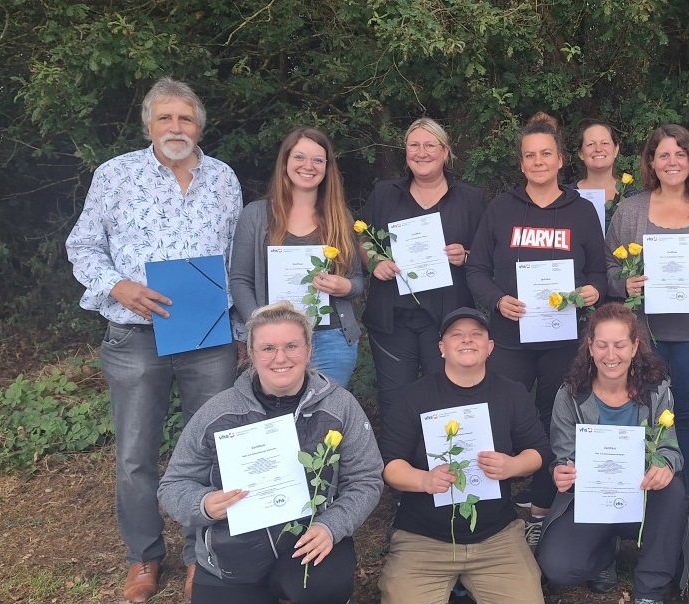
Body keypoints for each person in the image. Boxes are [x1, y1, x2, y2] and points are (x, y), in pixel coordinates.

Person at [65, 77, 242, 604]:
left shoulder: (223, 179)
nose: (176, 128)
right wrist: (117, 285)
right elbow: (82, 245)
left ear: (200, 126)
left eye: (185, 119)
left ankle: (200, 554)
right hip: (136, 334)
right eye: (165, 118)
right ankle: (143, 556)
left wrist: (238, 328)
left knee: (212, 448)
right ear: (148, 125)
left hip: (208, 336)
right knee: (136, 454)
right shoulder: (116, 175)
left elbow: (234, 258)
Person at [158, 301, 382, 604]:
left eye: (292, 346)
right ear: (250, 353)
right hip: (233, 555)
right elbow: (173, 485)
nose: (281, 358)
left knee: (325, 580)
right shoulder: (218, 411)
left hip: (306, 545)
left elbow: (366, 479)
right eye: (268, 348)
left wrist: (332, 526)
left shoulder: (339, 405)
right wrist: (205, 505)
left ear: (309, 351)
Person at [466, 112, 607, 543]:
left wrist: (591, 294)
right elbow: (476, 268)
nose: (539, 161)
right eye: (530, 156)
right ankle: (495, 505)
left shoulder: (582, 211)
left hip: (563, 340)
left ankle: (545, 504)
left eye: (546, 153)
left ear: (561, 159)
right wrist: (495, 300)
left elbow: (601, 274)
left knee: (557, 419)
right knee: (499, 417)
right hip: (509, 338)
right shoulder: (501, 209)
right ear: (522, 163)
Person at [377, 307, 548, 604]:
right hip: (424, 538)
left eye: (476, 334)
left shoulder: (511, 393)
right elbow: (389, 465)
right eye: (456, 334)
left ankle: (470, 585)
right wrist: (423, 479)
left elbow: (540, 451)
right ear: (441, 347)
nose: (467, 339)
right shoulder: (414, 396)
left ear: (490, 347)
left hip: (494, 535)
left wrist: (513, 465)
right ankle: (432, 585)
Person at [606, 124, 689, 556]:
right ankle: (642, 502)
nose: (672, 162)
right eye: (663, 155)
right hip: (644, 337)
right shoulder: (630, 211)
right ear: (650, 163)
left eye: (681, 154)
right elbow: (609, 267)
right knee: (639, 417)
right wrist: (625, 286)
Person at [536, 303, 689, 604]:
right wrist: (562, 472)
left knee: (674, 490)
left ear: (635, 346)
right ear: (589, 347)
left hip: (644, 498)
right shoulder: (570, 395)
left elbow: (671, 449)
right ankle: (605, 551)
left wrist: (663, 464)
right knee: (559, 566)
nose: (611, 354)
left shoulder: (657, 390)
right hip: (592, 501)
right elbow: (563, 456)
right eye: (602, 344)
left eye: (619, 344)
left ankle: (649, 594)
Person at [360, 118, 485, 417]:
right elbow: (361, 239)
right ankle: (396, 464)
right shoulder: (385, 193)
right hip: (393, 318)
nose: (422, 152)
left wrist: (466, 256)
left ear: (445, 152)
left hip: (447, 321)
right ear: (405, 152)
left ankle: (444, 463)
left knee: (446, 400)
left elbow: (488, 256)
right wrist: (374, 261)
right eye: (414, 145)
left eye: (430, 145)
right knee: (394, 403)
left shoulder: (470, 198)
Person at [230, 128, 364, 387]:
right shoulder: (256, 215)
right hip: (275, 341)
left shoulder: (339, 217)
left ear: (327, 167)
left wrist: (344, 286)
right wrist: (261, 328)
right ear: (286, 161)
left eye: (317, 160)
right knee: (280, 422)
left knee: (324, 420)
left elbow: (357, 280)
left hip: (332, 339)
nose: (308, 166)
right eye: (300, 157)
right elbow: (239, 281)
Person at [569, 119, 634, 225]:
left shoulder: (632, 196)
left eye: (605, 143)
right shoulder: (565, 196)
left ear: (616, 150)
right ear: (581, 153)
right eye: (590, 144)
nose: (598, 149)